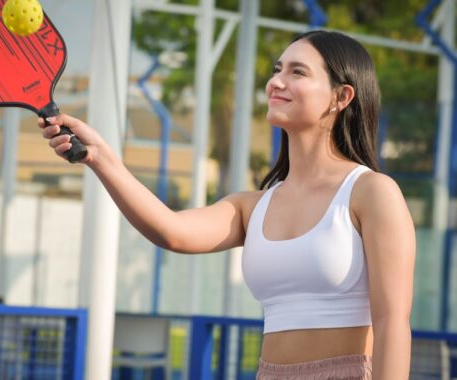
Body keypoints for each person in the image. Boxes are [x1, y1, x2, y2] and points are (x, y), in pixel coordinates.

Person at [39, 30, 415, 379]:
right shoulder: (252, 207)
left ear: (341, 96)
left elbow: (392, 322)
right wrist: (101, 157)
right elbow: (170, 230)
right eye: (277, 70)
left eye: (297, 72)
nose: (276, 82)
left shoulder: (372, 192)